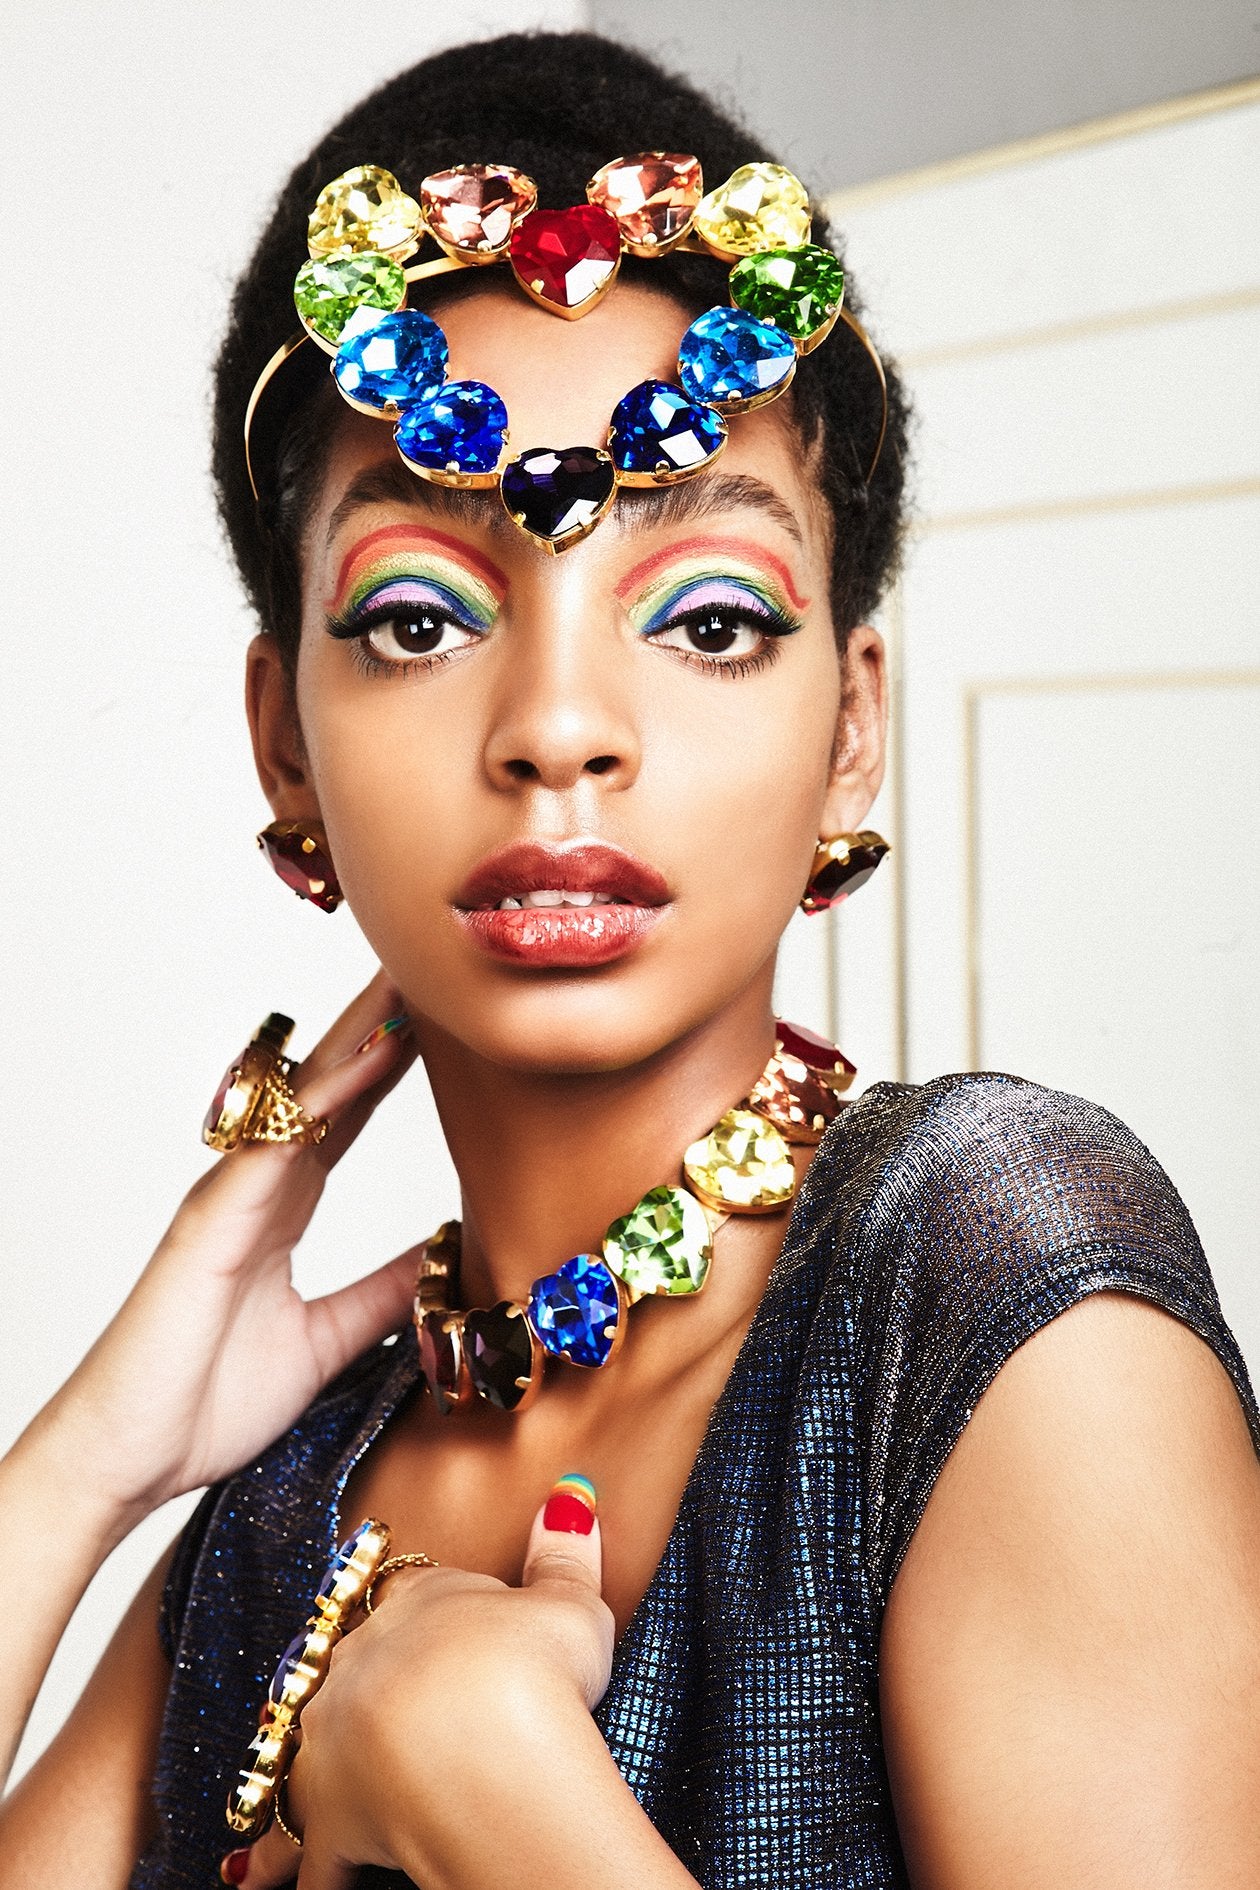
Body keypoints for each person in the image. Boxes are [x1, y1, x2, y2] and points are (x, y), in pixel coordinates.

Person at [3, 29, 1259, 1890]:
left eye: (710, 617)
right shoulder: (277, 1498)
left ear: (852, 723)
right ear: (285, 743)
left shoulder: (990, 1292)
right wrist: (90, 1462)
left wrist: (494, 1792)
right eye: (420, 616)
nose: (560, 727)